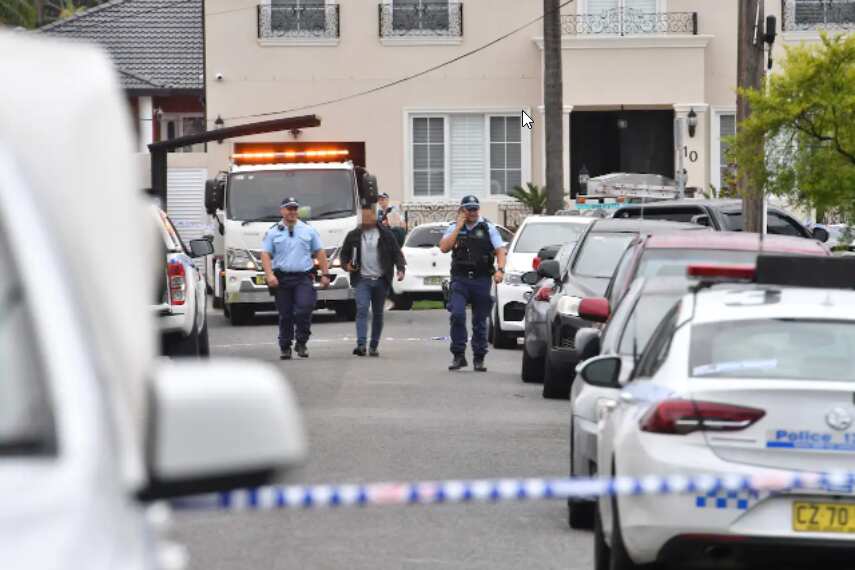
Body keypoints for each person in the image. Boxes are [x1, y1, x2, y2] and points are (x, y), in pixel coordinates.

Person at [438, 195, 507, 372]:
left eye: (475, 208)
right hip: (460, 279)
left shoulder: (488, 227)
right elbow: (444, 248)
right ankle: (458, 355)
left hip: (481, 279)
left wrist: (500, 270)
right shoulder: (454, 228)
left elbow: (500, 250)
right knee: (457, 315)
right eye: (469, 209)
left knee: (480, 321)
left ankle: (479, 357)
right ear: (462, 211)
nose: (473, 212)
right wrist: (459, 226)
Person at [261, 197, 331, 360]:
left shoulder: (308, 230)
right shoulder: (273, 231)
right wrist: (269, 275)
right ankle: (285, 347)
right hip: (282, 279)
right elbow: (265, 254)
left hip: (303, 277)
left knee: (304, 308)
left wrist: (325, 274)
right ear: (282, 211)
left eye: (294, 209)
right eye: (288, 208)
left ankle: (301, 342)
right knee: (285, 314)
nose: (292, 212)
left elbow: (319, 252)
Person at [340, 206, 406, 357]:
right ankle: (361, 344)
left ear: (375, 217)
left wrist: (400, 269)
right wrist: (346, 265)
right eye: (364, 217)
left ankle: (374, 345)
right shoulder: (354, 235)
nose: (366, 220)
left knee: (378, 314)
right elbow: (344, 255)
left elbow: (397, 253)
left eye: (369, 216)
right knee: (362, 309)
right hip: (362, 279)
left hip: (381, 280)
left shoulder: (386, 234)